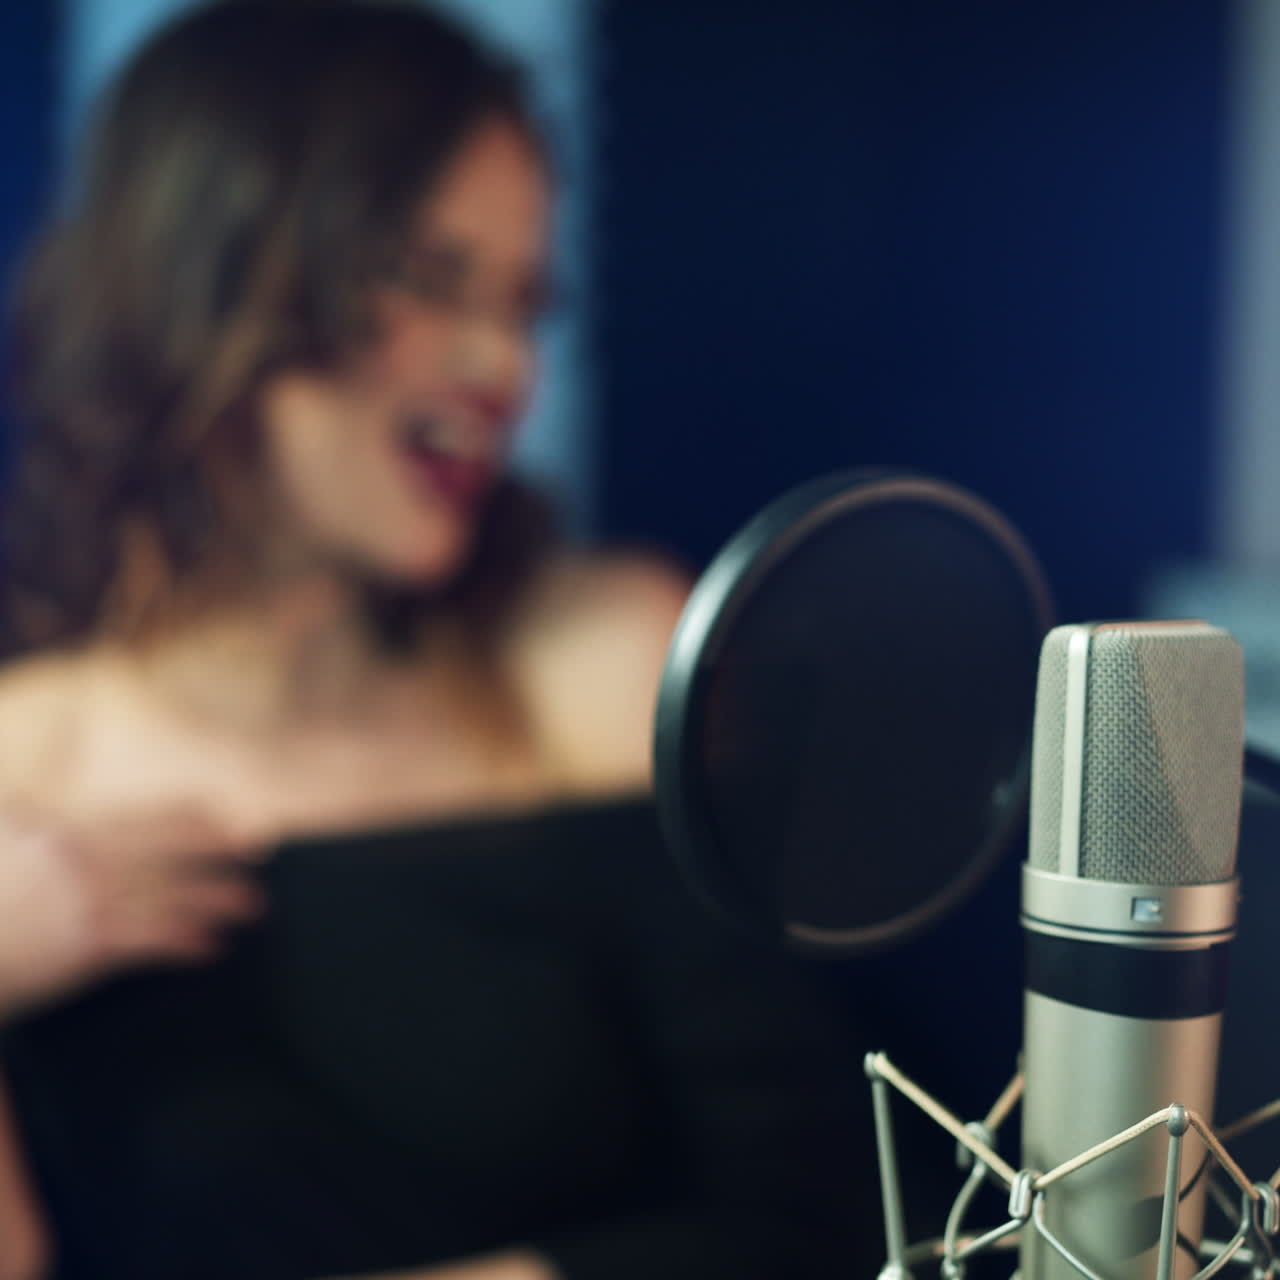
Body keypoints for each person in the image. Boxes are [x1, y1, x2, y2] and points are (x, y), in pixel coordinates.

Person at [0, 2, 870, 1277]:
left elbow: (819, 1209)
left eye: (522, 302)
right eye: (429, 278)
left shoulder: (602, 659)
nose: (500, 364)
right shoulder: (23, 765)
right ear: (220, 271)